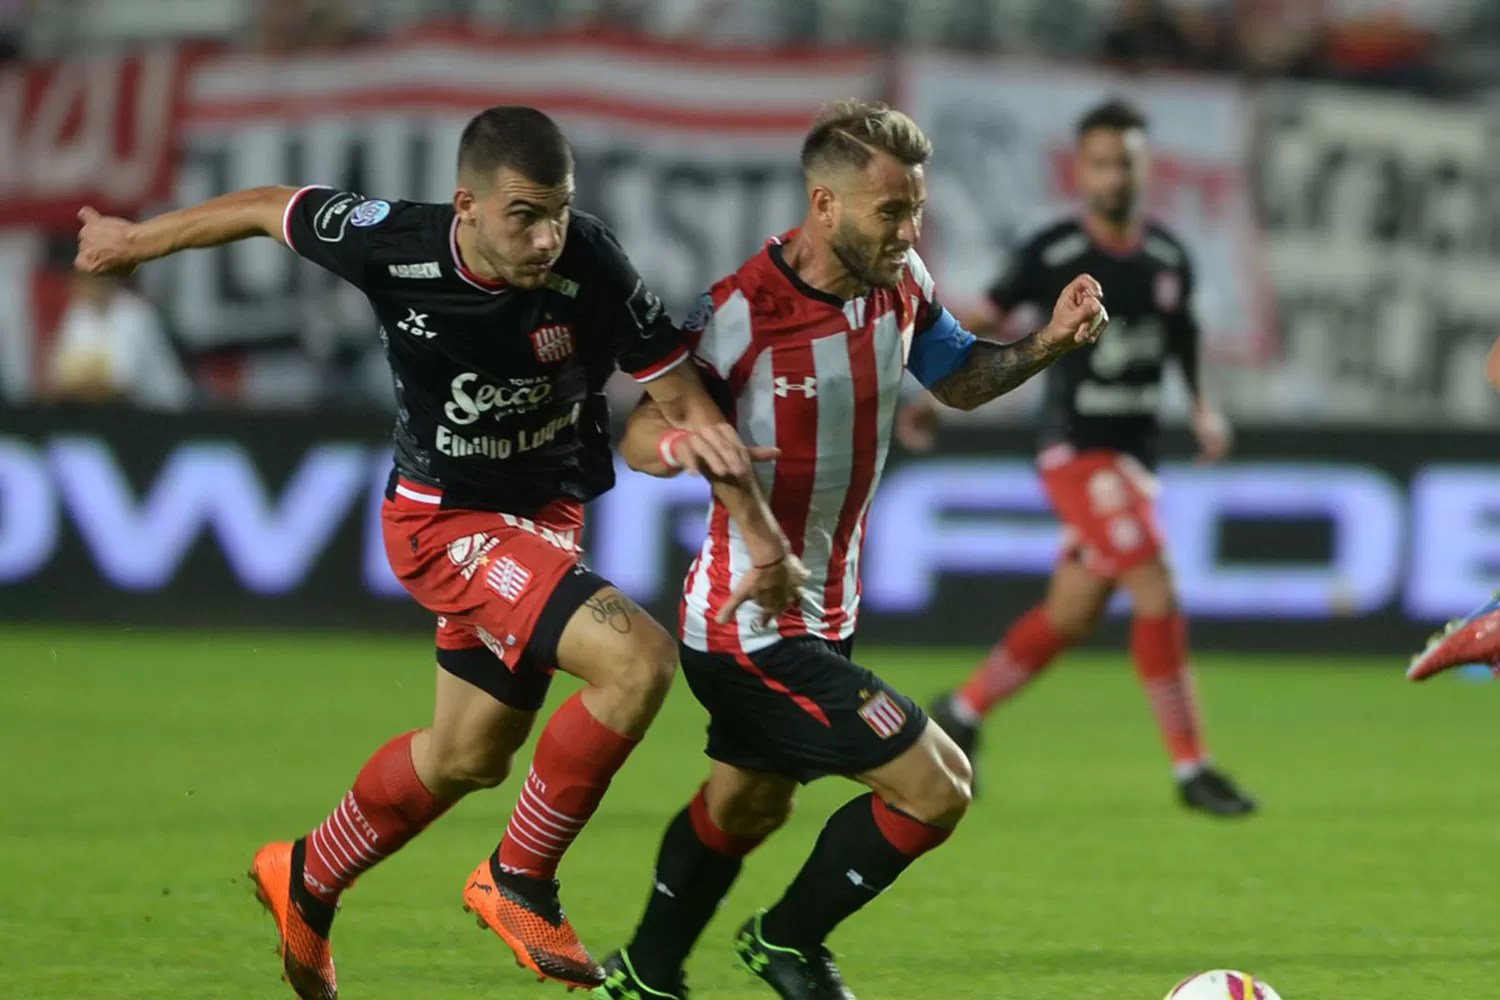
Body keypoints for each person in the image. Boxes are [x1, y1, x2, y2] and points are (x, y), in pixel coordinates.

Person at [73, 105, 804, 1000]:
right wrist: (135, 243)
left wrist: (751, 518)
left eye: (559, 212)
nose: (546, 237)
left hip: (547, 518)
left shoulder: (592, 262)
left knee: (467, 756)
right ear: (467, 205)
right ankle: (519, 877)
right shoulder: (395, 243)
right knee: (636, 661)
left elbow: (679, 394)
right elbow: (271, 205)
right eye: (524, 215)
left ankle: (307, 873)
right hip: (444, 520)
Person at [593, 99, 1107, 1000]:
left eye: (916, 209)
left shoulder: (902, 287)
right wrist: (687, 445)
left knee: (749, 803)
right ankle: (787, 942)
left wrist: (1049, 344)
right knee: (939, 786)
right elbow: (640, 435)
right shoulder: (739, 313)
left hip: (827, 611)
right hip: (745, 619)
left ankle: (645, 969)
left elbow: (959, 380)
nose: (910, 231)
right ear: (824, 207)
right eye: (891, 212)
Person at [903, 98, 1256, 818]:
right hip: (1076, 452)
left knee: (1072, 613)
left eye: (1125, 160)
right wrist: (930, 391)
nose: (1113, 174)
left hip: (1134, 457)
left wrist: (1200, 404)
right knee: (1155, 586)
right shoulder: (1052, 253)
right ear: (1081, 170)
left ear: (1144, 167)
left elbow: (1182, 336)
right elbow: (986, 318)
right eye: (1099, 162)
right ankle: (1193, 767)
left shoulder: (1167, 257)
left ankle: (964, 708)